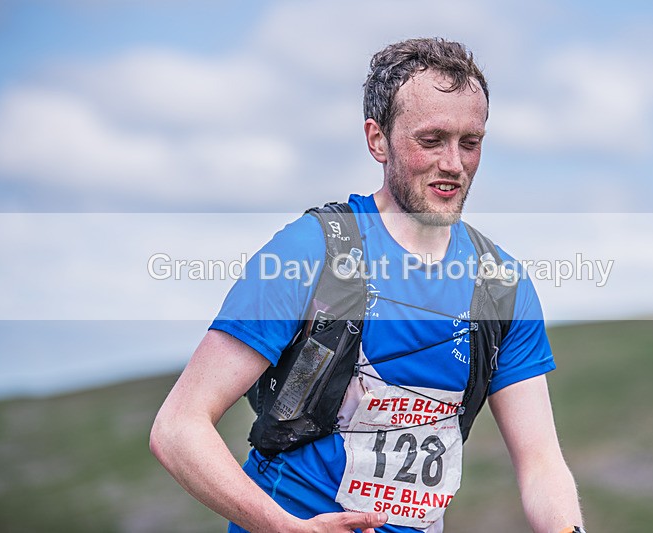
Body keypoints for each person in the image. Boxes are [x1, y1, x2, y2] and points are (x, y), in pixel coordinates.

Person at [150, 37, 585, 533]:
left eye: (471, 142)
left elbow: (541, 464)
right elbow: (178, 428)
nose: (454, 164)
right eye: (430, 140)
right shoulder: (310, 252)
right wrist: (285, 527)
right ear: (377, 139)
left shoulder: (501, 286)